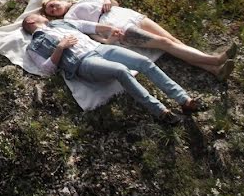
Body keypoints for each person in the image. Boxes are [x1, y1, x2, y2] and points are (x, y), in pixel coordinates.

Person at [22, 13, 202, 124]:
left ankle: (184, 99)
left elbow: (87, 26)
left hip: (101, 48)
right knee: (121, 70)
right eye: (39, 15)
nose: (44, 16)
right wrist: (60, 48)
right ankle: (160, 111)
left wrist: (111, 29)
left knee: (143, 62)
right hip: (82, 62)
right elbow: (46, 70)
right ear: (31, 21)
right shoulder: (34, 46)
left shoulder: (61, 23)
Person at [42, 0, 236, 80]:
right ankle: (215, 59)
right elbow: (90, 35)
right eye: (50, 10)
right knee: (166, 44)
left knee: (174, 41)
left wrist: (109, 0)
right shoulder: (69, 18)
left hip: (127, 14)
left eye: (53, 3)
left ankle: (213, 70)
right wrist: (108, 40)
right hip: (118, 27)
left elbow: (112, 1)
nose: (53, 8)